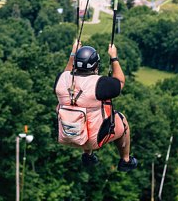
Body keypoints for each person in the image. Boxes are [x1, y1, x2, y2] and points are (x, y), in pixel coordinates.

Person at [54, 41, 137, 171]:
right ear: (96, 66)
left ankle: (88, 155)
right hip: (93, 140)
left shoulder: (61, 80)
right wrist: (113, 57)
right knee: (121, 119)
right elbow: (120, 81)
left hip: (65, 135)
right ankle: (125, 160)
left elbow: (67, 73)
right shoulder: (99, 84)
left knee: (86, 115)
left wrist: (73, 53)